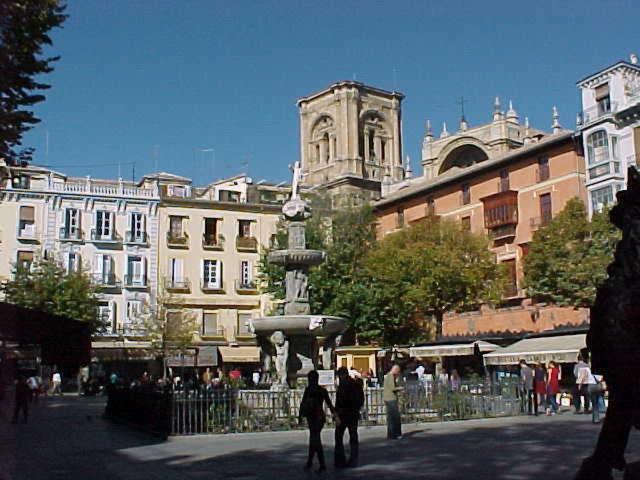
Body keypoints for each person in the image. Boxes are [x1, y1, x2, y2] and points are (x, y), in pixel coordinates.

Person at [298, 370, 335, 473]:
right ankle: (311, 462)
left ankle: (321, 464)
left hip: (313, 417)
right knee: (314, 439)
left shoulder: (309, 390)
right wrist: (335, 415)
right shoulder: (321, 391)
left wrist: (300, 416)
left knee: (315, 440)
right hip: (319, 417)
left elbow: (302, 404)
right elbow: (329, 404)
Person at [334, 366, 364, 468]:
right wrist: (357, 408)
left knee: (339, 436)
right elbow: (361, 399)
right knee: (353, 436)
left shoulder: (343, 386)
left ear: (342, 375)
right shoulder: (355, 384)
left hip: (344, 414)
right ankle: (353, 459)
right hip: (353, 414)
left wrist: (336, 414)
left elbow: (338, 402)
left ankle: (340, 459)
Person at [383, 365, 403, 440]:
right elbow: (392, 388)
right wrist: (400, 388)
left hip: (387, 398)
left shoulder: (387, 376)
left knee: (390, 417)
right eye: (398, 371)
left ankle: (391, 434)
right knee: (395, 417)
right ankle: (396, 433)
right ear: (395, 370)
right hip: (391, 398)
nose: (398, 373)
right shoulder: (391, 376)